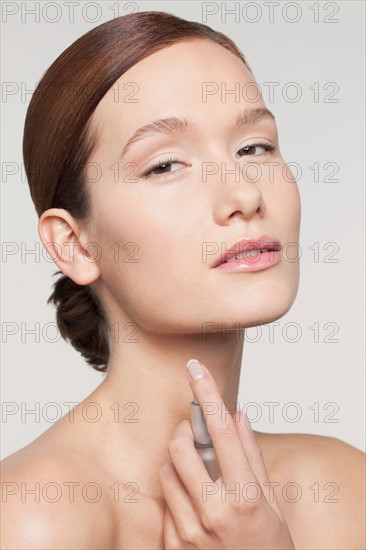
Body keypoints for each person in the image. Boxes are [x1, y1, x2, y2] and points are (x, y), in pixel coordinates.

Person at [1, 11, 364, 550]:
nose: (244, 195)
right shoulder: (34, 516)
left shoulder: (339, 484)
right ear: (73, 245)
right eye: (166, 165)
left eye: (254, 148)